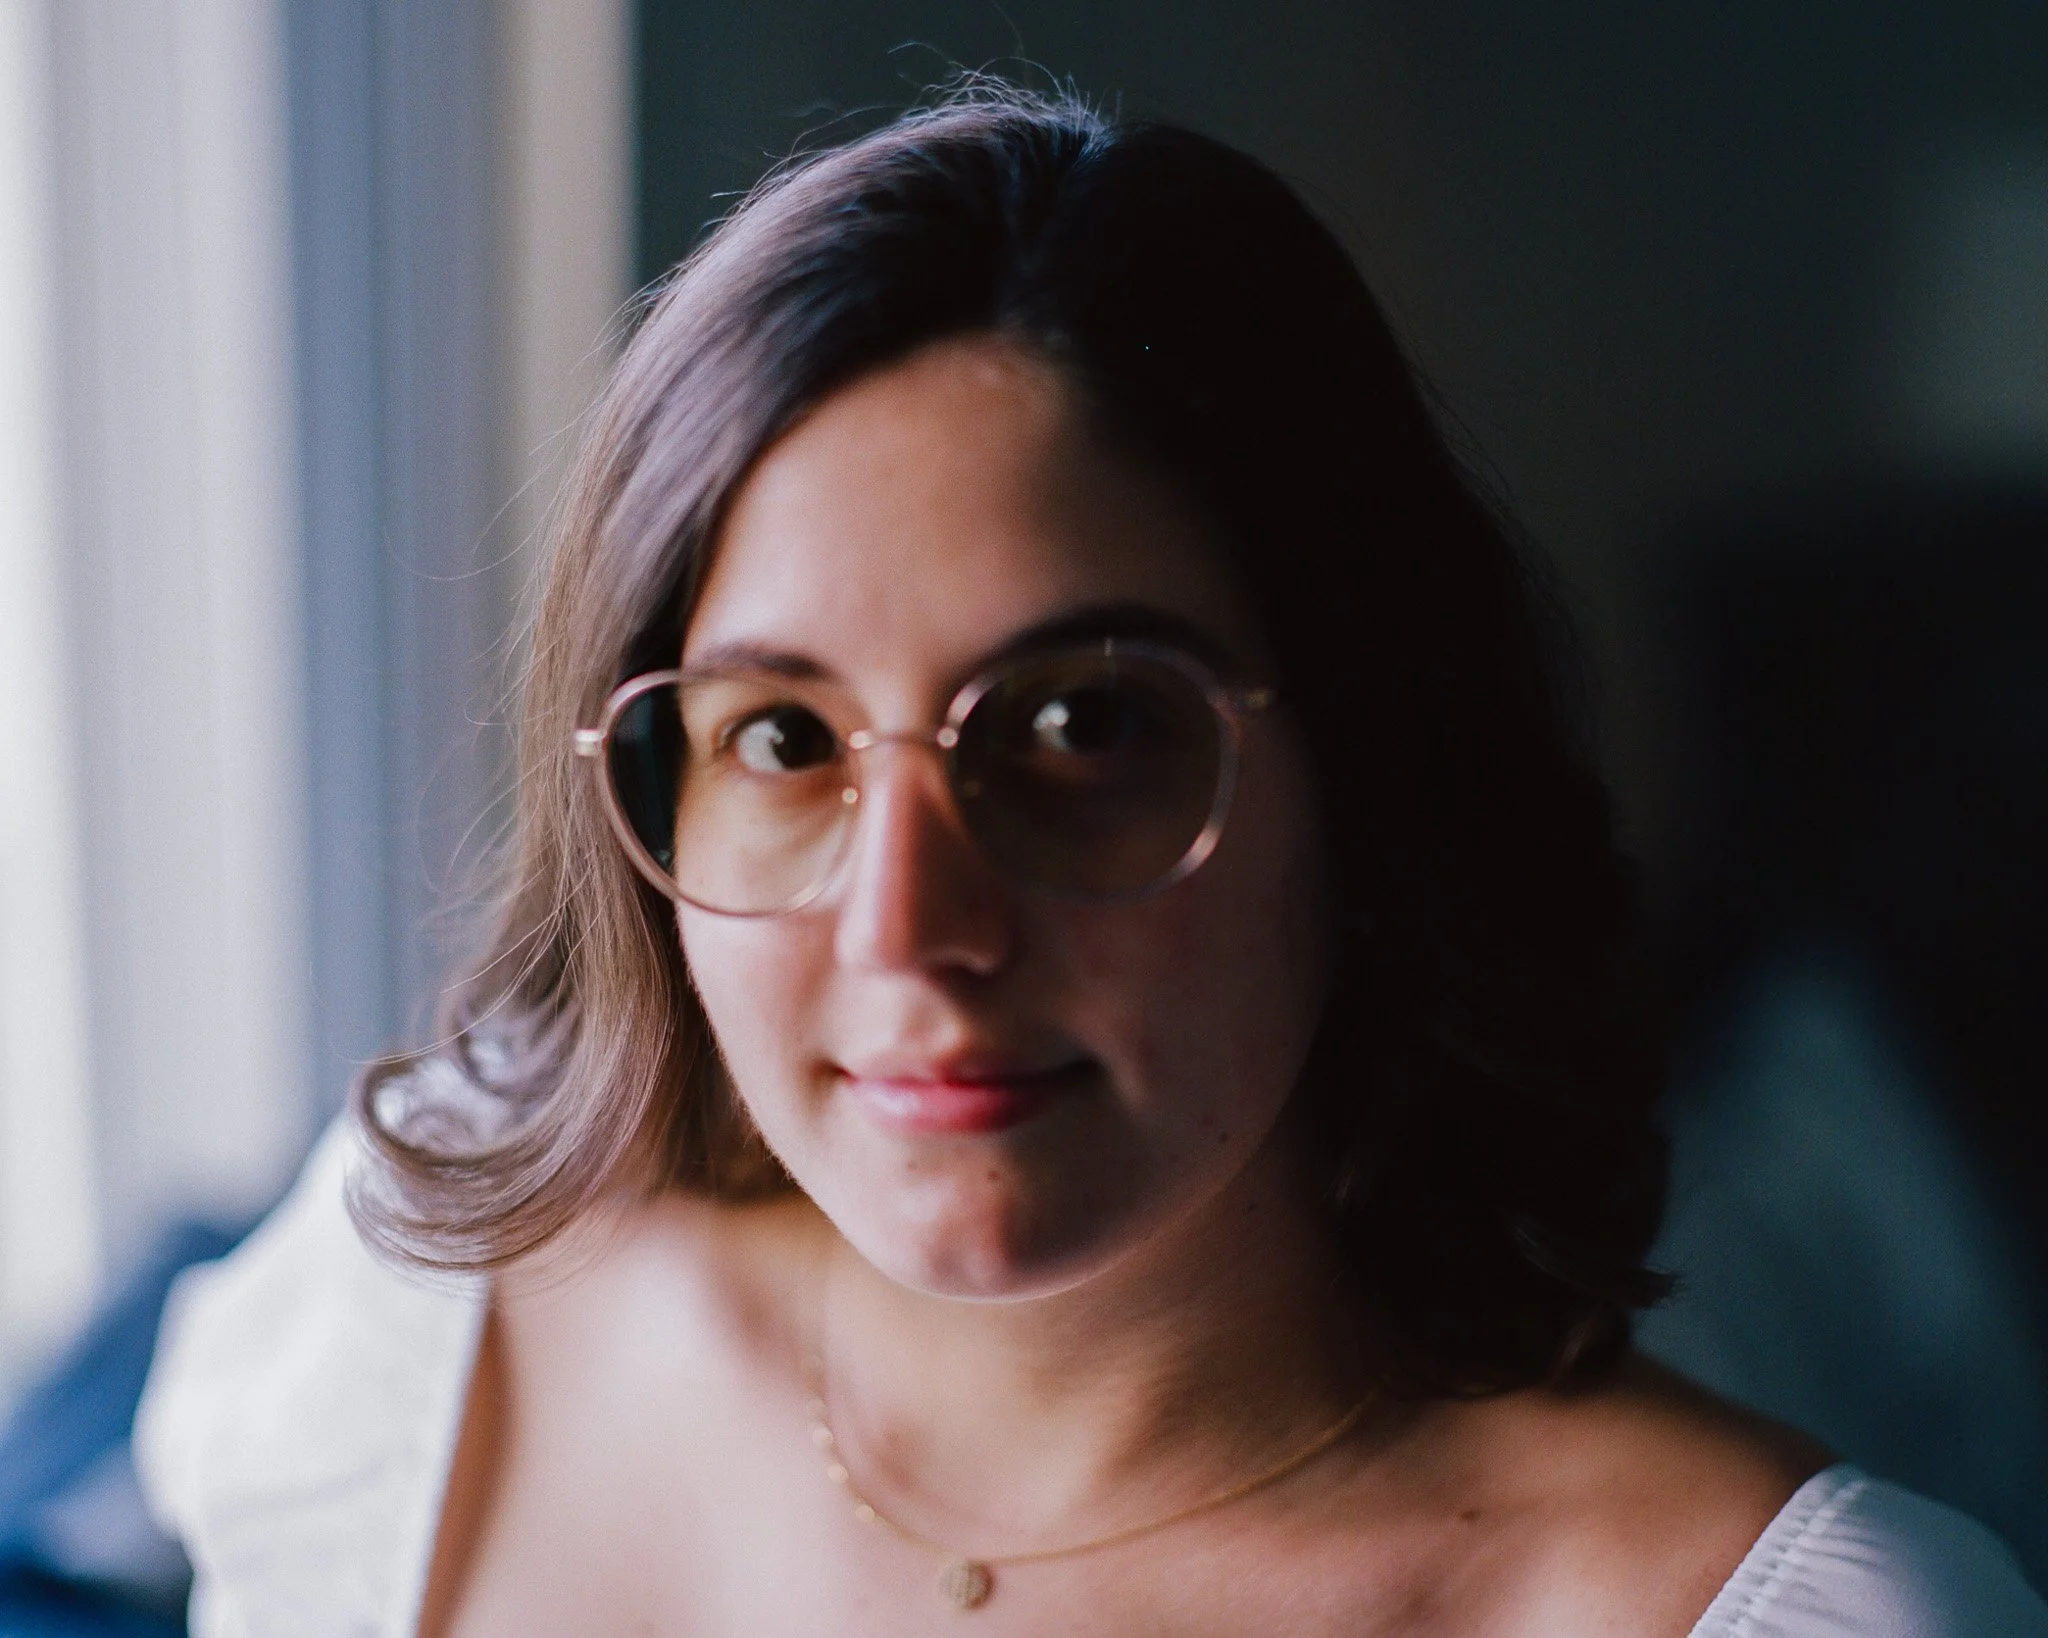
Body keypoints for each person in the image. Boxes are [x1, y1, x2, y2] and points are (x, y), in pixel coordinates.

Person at [133, 86, 2048, 1636]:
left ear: (1373, 763)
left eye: (1081, 729)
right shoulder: (419, 1353)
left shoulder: (1777, 1612)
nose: (911, 928)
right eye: (784, 739)